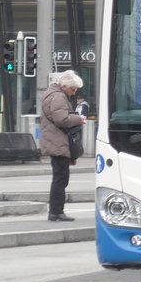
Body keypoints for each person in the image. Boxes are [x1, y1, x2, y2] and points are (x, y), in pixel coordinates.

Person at [39, 70, 86, 222]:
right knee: (61, 178)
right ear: (65, 86)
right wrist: (78, 119)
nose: (74, 93)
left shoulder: (53, 94)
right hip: (57, 142)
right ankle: (56, 212)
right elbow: (62, 119)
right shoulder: (58, 96)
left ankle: (56, 211)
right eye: (73, 89)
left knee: (59, 178)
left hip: (55, 141)